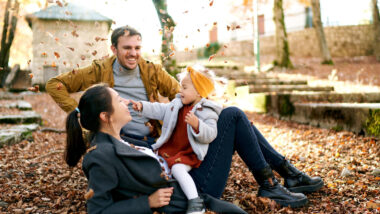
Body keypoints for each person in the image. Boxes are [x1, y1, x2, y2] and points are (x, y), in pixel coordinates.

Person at [46, 25, 324, 208]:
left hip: (155, 141)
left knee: (229, 116)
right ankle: (275, 180)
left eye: (137, 48)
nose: (133, 53)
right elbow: (54, 85)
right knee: (234, 118)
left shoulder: (150, 70)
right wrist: (83, 117)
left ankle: (282, 175)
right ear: (114, 49)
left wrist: (204, 99)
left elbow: (178, 94)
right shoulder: (99, 88)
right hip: (176, 171)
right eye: (127, 48)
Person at [65, 84, 246, 213]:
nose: (126, 103)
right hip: (189, 198)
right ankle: (270, 179)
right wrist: (147, 202)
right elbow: (98, 210)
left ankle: (270, 176)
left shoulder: (119, 140)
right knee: (233, 116)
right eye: (119, 101)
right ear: (105, 116)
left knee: (229, 116)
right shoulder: (100, 155)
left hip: (186, 179)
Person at [131, 66, 222, 214]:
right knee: (153, 161)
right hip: (171, 149)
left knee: (177, 169)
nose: (180, 91)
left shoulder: (207, 111)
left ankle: (195, 202)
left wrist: (197, 124)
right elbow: (160, 109)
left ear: (199, 91)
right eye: (181, 87)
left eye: (184, 87)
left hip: (187, 154)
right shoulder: (178, 104)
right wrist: (143, 107)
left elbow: (211, 133)